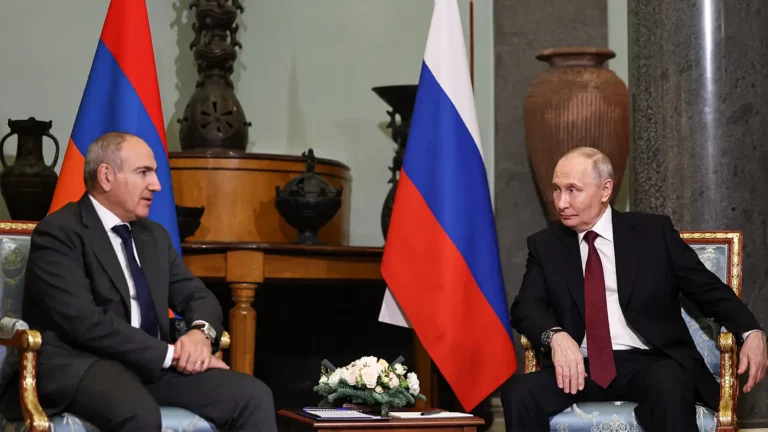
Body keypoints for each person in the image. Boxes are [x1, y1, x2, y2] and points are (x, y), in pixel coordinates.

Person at [1, 132, 278, 431]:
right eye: (144, 172)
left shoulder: (153, 236)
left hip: (150, 365)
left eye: (154, 173)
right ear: (106, 176)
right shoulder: (59, 232)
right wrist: (172, 355)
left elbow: (197, 295)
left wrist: (200, 335)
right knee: (138, 413)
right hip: (84, 363)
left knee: (253, 396)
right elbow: (83, 321)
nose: (156, 185)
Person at [501, 147, 768, 431]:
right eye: (557, 189)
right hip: (579, 367)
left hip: (649, 362)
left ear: (605, 190)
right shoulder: (545, 245)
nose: (561, 202)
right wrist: (555, 336)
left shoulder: (652, 233)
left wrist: (751, 331)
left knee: (670, 386)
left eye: (573, 190)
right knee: (519, 393)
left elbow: (707, 289)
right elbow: (525, 306)